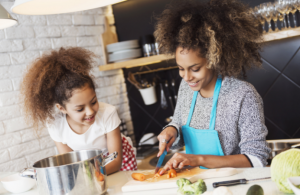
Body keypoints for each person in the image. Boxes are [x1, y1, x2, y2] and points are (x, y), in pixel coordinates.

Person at [154, 0, 271, 174]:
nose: (186, 77)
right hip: (194, 181)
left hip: (233, 184)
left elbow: (256, 159)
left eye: (195, 69)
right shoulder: (186, 88)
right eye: (180, 69)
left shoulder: (243, 94)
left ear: (214, 60)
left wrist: (198, 159)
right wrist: (171, 130)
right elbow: (178, 122)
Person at [20, 47, 137, 174]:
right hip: (87, 169)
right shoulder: (56, 126)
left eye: (93, 102)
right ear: (62, 108)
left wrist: (89, 176)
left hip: (115, 163)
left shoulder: (108, 113)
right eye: (80, 109)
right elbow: (70, 163)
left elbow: (115, 162)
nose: (90, 111)